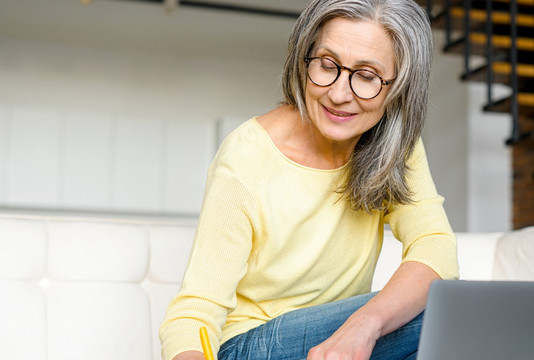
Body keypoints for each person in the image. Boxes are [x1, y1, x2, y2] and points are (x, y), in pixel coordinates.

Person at [159, 0, 458, 359]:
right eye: (327, 65)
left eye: (366, 76)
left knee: (436, 327)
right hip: (249, 345)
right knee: (443, 312)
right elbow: (192, 315)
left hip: (341, 346)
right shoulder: (246, 159)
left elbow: (434, 246)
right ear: (305, 58)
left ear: (399, 88)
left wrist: (363, 327)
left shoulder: (393, 146)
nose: (338, 94)